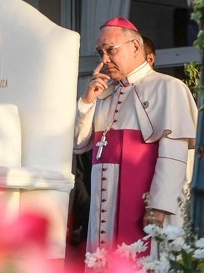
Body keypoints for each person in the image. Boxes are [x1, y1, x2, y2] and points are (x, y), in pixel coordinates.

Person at [75, 17, 197, 254]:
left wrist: (159, 205)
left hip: (145, 208)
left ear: (135, 46)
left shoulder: (168, 87)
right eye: (101, 52)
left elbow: (176, 153)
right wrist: (87, 102)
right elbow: (80, 145)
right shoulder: (104, 94)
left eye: (111, 50)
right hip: (106, 209)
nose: (104, 60)